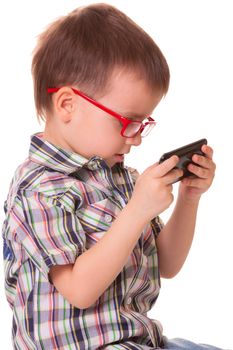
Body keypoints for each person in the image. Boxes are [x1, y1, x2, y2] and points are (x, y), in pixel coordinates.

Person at [2, 3, 221, 350]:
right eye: (127, 121)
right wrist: (136, 211)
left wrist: (189, 198)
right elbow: (79, 290)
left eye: (143, 123)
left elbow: (167, 264)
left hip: (138, 341)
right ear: (68, 105)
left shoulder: (121, 178)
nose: (134, 136)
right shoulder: (39, 189)